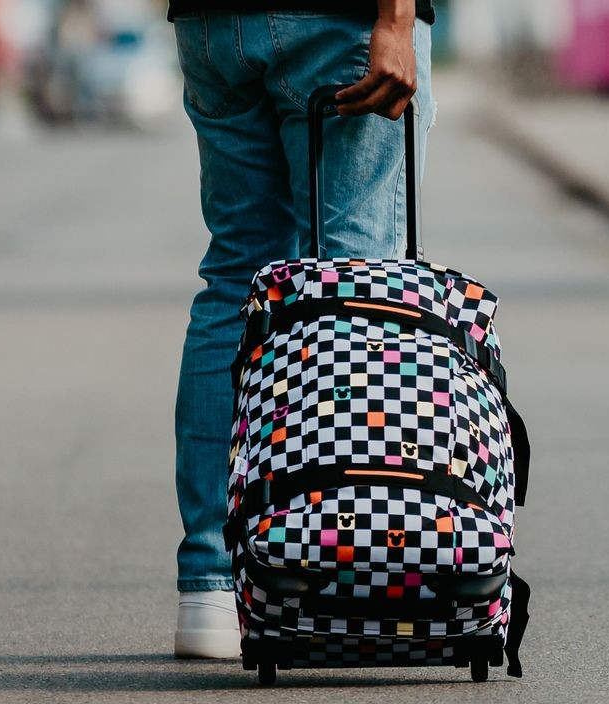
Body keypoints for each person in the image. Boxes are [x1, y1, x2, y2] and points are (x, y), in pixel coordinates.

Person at [170, 0, 436, 659]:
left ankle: (213, 583)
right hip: (337, 19)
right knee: (353, 287)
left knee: (235, 276)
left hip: (214, 28)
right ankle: (340, 578)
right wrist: (396, 21)